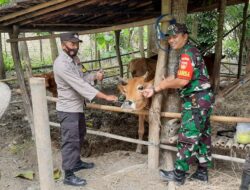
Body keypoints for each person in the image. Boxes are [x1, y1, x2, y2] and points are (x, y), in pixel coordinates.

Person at [143, 23, 214, 185]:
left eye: (175, 36)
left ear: (185, 36)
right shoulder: (190, 52)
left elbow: (182, 81)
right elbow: (174, 78)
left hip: (196, 100)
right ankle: (202, 172)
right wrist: (154, 88)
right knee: (203, 135)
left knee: (187, 135)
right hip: (204, 98)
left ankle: (179, 174)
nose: (171, 40)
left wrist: (160, 86)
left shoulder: (187, 54)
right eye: (169, 37)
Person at [53, 32, 117, 186]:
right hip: (68, 109)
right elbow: (80, 85)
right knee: (70, 140)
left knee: (80, 133)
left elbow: (82, 78)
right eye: (71, 44)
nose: (75, 47)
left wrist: (95, 76)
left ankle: (76, 162)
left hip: (77, 106)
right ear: (63, 45)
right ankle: (68, 174)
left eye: (76, 43)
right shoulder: (61, 64)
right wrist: (105, 96)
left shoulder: (74, 60)